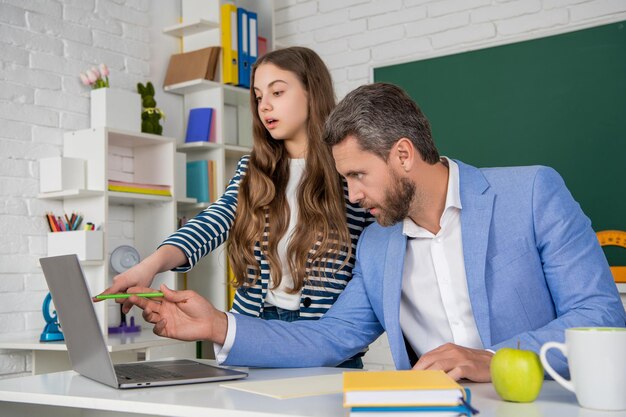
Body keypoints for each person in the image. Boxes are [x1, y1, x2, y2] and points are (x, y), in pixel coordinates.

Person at [126, 82, 626, 381]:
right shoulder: (379, 243)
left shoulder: (531, 193)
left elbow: (600, 314)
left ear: (403, 155)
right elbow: (330, 338)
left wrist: (491, 359)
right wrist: (217, 325)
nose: (354, 195)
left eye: (359, 176)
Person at [99, 47, 372, 368]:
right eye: (257, 96)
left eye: (278, 92)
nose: (265, 105)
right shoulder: (252, 170)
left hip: (324, 337)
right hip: (254, 327)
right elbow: (213, 222)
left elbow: (375, 256)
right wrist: (150, 265)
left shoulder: (350, 169)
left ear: (312, 92)